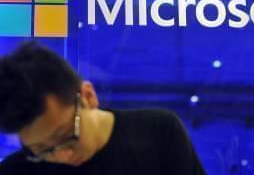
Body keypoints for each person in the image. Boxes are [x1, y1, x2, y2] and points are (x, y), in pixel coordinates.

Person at [0, 41, 206, 175]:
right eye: (41, 150)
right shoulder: (19, 170)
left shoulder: (158, 132)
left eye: (66, 135)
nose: (63, 156)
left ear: (88, 97)